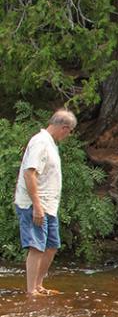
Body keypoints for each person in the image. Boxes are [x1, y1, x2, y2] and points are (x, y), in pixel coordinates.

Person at [14, 109, 76, 298]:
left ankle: (39, 285)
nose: (69, 135)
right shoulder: (40, 142)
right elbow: (29, 173)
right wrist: (37, 206)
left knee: (52, 245)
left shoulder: (50, 144)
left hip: (48, 205)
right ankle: (31, 290)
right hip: (34, 204)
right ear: (64, 128)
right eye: (70, 131)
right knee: (37, 246)